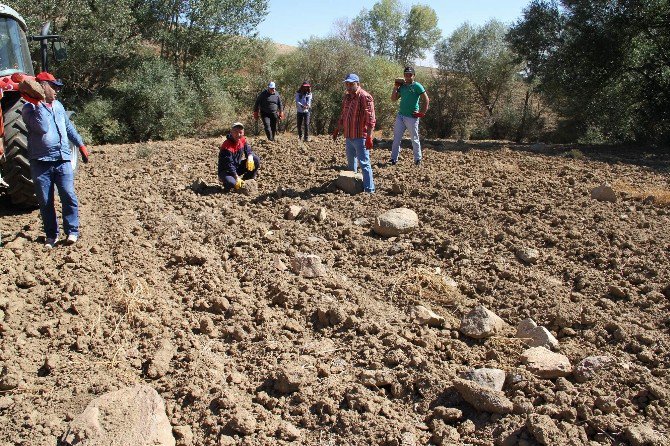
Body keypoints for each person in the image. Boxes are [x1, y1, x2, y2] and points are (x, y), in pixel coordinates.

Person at [21, 71, 90, 248]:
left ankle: (72, 231)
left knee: (68, 194)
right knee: (45, 201)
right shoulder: (29, 109)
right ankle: (51, 235)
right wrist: (39, 103)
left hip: (62, 158)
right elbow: (42, 127)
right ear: (42, 87)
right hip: (41, 162)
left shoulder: (58, 106)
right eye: (53, 87)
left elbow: (68, 127)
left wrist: (80, 145)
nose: (57, 91)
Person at [332, 73, 376, 193]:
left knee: (364, 163)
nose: (349, 86)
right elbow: (344, 114)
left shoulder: (365, 97)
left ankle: (369, 190)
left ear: (358, 84)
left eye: (352, 84)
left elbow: (371, 119)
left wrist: (369, 137)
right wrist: (337, 129)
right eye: (347, 84)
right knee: (351, 164)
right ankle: (353, 187)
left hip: (360, 136)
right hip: (349, 135)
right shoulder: (347, 97)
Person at [390, 66, 429, 166]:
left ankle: (417, 159)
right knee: (396, 138)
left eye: (410, 75)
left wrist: (422, 112)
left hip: (412, 117)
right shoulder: (402, 86)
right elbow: (393, 99)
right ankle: (393, 159)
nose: (408, 77)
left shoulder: (417, 86)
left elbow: (426, 99)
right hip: (401, 116)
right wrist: (395, 87)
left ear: (414, 76)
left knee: (414, 139)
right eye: (406, 75)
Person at [218, 122, 260, 191]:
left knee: (255, 160)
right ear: (231, 132)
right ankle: (227, 181)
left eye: (240, 132)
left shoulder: (242, 140)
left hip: (237, 167)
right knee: (231, 184)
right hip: (226, 171)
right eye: (235, 132)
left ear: (243, 132)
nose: (238, 135)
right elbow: (229, 164)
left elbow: (248, 150)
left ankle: (247, 181)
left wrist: (250, 156)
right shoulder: (226, 146)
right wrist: (237, 177)